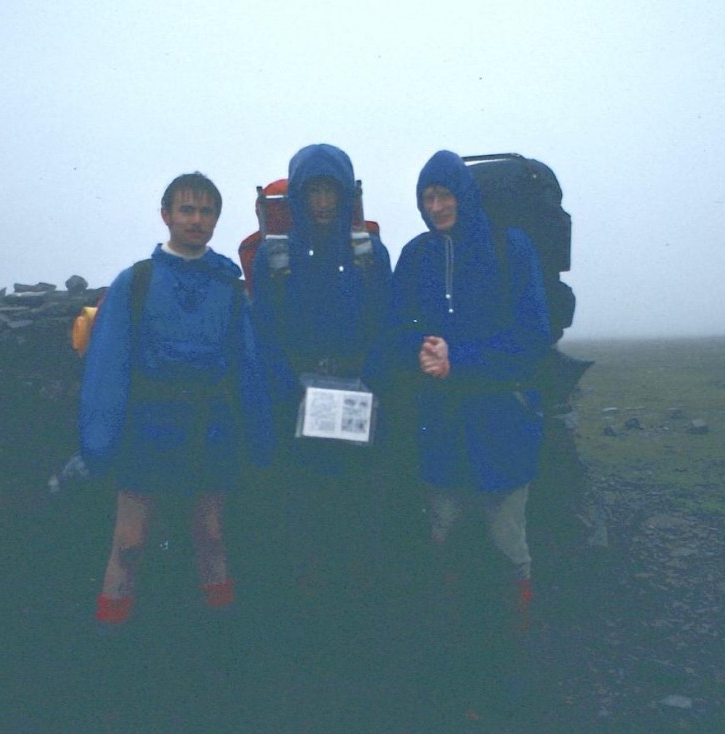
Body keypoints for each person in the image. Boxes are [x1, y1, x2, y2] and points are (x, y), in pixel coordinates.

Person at [383, 150, 551, 723]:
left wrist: (464, 359)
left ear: (466, 194)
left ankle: (513, 658)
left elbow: (533, 335)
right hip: (441, 426)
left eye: (445, 194)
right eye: (427, 198)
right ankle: (455, 659)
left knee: (508, 545)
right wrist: (419, 352)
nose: (436, 207)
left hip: (499, 420)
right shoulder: (415, 256)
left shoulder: (511, 248)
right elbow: (393, 331)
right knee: (445, 536)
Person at [80, 172, 273, 628]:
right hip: (147, 424)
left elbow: (247, 365)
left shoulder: (228, 285)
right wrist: (98, 444)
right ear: (166, 215)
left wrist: (260, 441)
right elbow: (110, 363)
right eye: (187, 209)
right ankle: (109, 640)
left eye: (206, 211)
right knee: (129, 542)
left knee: (210, 536)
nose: (197, 219)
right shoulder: (137, 281)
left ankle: (220, 641)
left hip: (211, 425)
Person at [249, 144, 392, 607]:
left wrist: (370, 381)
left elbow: (388, 324)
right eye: (313, 192)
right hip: (297, 409)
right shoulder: (273, 258)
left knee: (361, 519)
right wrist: (289, 390)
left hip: (360, 404)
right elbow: (264, 333)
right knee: (303, 523)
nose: (324, 202)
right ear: (298, 198)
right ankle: (310, 631)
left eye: (332, 191)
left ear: (347, 193)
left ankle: (357, 625)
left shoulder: (369, 254)